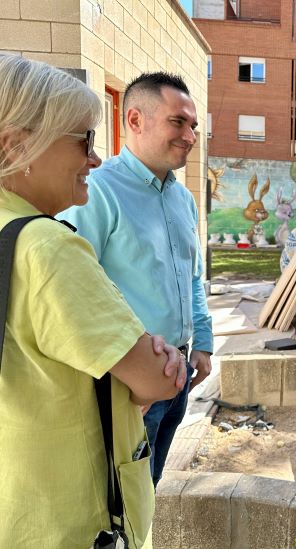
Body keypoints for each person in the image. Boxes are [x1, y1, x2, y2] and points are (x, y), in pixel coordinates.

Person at [0, 55, 186, 548]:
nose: (95, 158)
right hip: (72, 520)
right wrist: (154, 361)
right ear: (15, 144)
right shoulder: (48, 246)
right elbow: (152, 378)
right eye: (83, 139)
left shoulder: (181, 199)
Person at [59, 72, 213, 488]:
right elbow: (72, 296)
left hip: (177, 374)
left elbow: (192, 274)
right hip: (126, 386)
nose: (190, 135)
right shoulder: (97, 191)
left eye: (193, 126)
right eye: (178, 122)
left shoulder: (183, 198)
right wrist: (129, 377)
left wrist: (202, 342)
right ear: (135, 119)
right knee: (113, 501)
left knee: (148, 494)